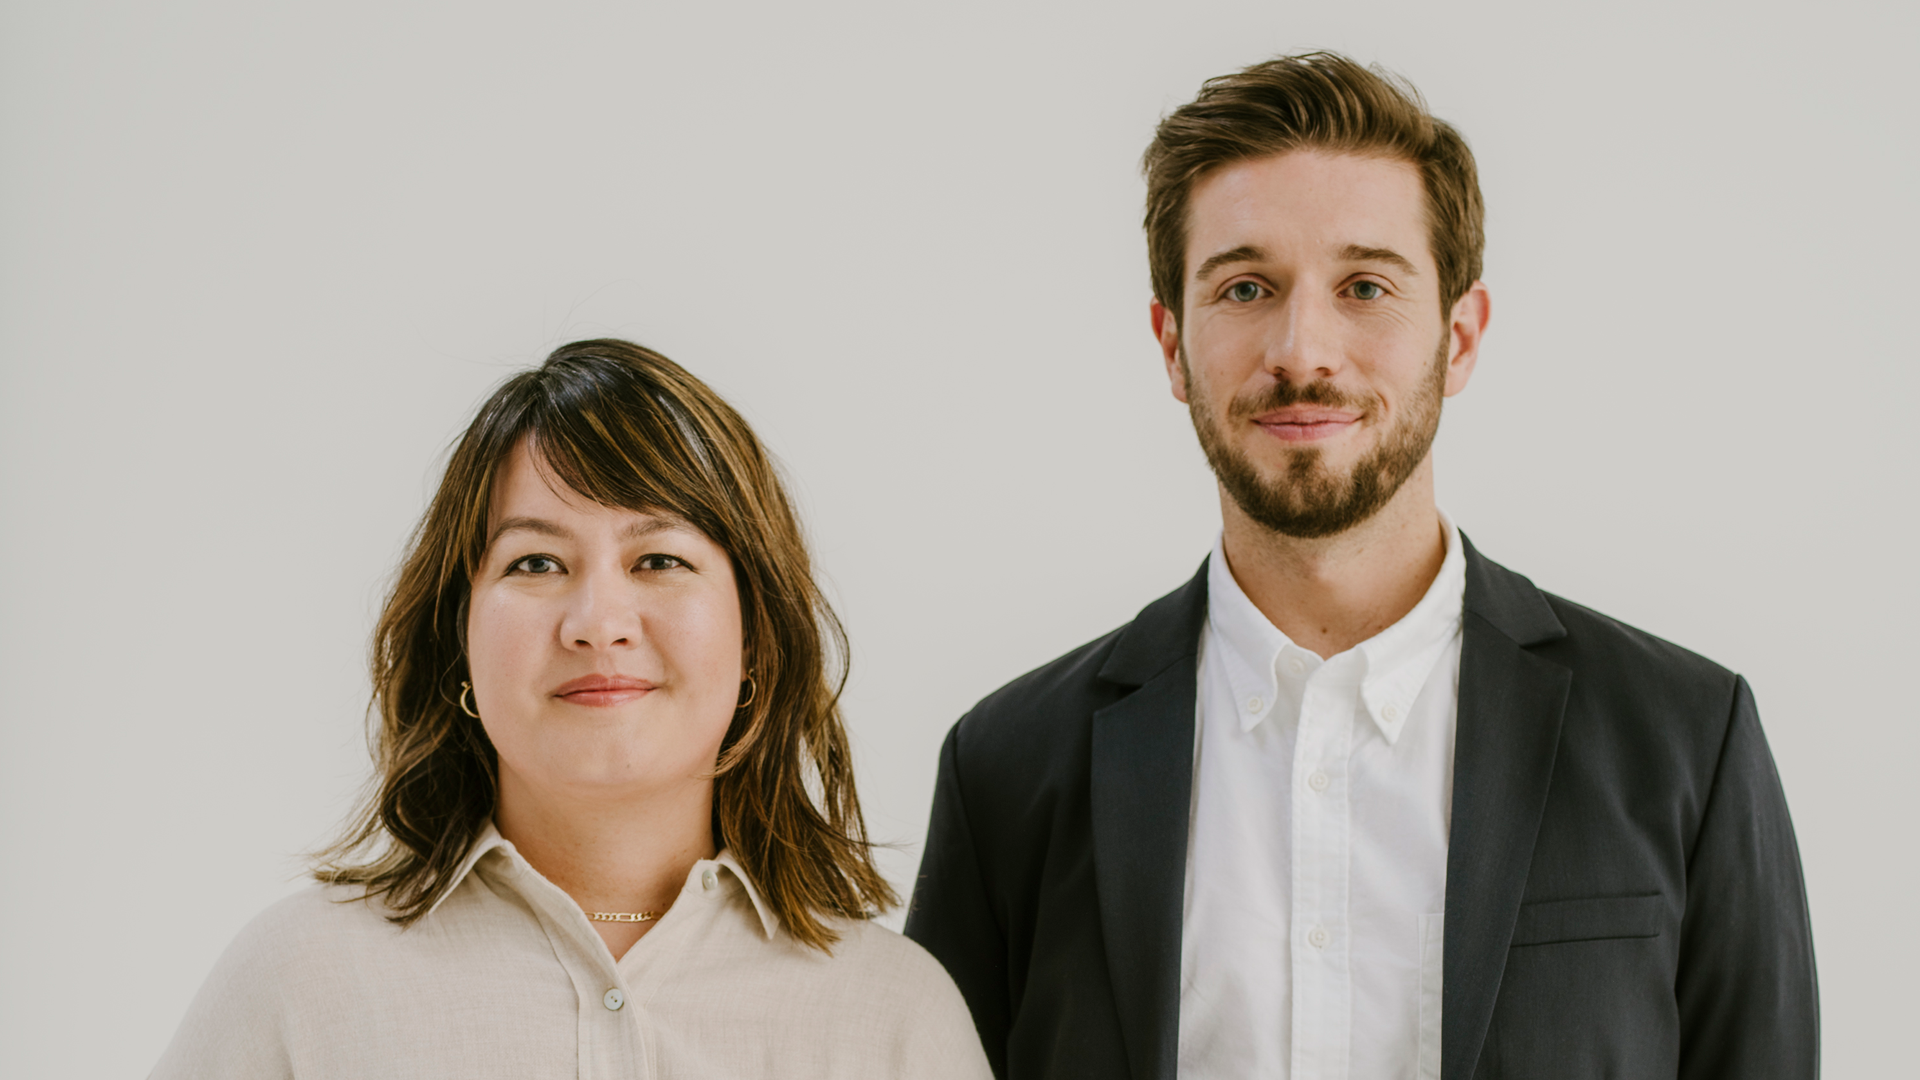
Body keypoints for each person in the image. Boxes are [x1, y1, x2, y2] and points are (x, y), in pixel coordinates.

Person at [904, 52, 1817, 1080]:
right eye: (1246, 287)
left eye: (1366, 286)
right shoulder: (1007, 769)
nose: (1304, 349)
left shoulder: (1687, 738)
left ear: (1459, 336)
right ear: (1171, 343)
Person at [153, 339, 991, 1079]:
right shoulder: (302, 986)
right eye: (536, 563)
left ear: (754, 646)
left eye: (659, 558)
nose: (598, 624)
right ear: (461, 640)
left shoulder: (894, 1019)